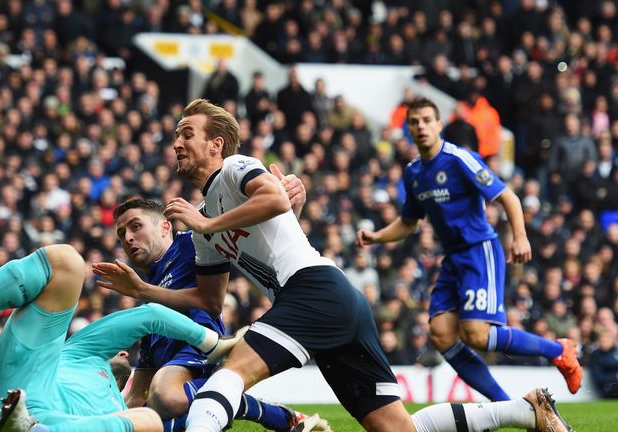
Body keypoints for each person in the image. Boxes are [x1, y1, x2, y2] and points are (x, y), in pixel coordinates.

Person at [94, 98, 572, 432]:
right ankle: (526, 412)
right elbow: (207, 299)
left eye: (187, 133)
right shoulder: (206, 217)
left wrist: (204, 222)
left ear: (216, 144)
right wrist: (143, 291)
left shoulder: (236, 169)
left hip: (314, 290)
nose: (176, 142)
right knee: (397, 427)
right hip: (331, 303)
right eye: (177, 134)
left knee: (227, 379)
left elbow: (275, 198)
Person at [0, 244, 245, 432]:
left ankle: (37, 430)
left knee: (148, 420)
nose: (124, 354)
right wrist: (213, 343)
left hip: (43, 418)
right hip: (14, 387)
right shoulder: (84, 350)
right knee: (67, 262)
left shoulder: (122, 403)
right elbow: (148, 316)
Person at [356, 96, 582, 402]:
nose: (420, 126)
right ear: (407, 128)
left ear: (438, 125)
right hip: (453, 259)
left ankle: (560, 351)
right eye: (414, 121)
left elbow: (508, 197)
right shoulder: (413, 172)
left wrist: (519, 236)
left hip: (479, 250)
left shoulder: (459, 159)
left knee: (476, 335)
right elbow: (409, 221)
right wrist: (377, 237)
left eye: (426, 120)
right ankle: (505, 405)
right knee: (441, 333)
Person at [104, 198, 319, 432]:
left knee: (166, 396)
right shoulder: (148, 292)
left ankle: (242, 400)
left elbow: (245, 233)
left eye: (136, 226)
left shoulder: (190, 243)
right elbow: (137, 394)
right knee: (142, 418)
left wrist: (290, 211)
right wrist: (108, 421)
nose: (128, 238)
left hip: (202, 346)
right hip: (170, 369)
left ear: (165, 227)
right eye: (122, 233)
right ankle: (281, 418)